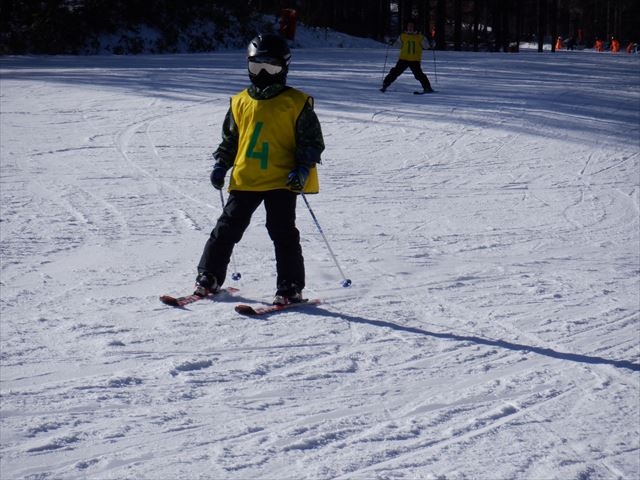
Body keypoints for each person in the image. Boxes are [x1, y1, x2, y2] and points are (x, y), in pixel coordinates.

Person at [194, 33, 325, 305]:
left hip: (281, 179)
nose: (263, 73)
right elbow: (231, 139)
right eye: (257, 67)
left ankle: (290, 285)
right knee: (226, 229)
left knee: (282, 232)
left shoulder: (296, 102)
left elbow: (312, 142)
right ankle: (209, 275)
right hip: (246, 178)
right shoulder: (240, 101)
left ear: (284, 67)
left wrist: (302, 168)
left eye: (271, 67)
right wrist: (221, 163)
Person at [381, 21, 434, 94]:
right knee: (395, 72)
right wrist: (391, 42)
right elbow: (398, 45)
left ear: (415, 27)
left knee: (419, 75)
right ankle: (385, 84)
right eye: (409, 26)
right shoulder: (403, 36)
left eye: (411, 26)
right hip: (403, 58)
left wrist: (431, 44)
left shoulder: (420, 37)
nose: (410, 28)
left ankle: (427, 88)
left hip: (414, 59)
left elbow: (426, 46)